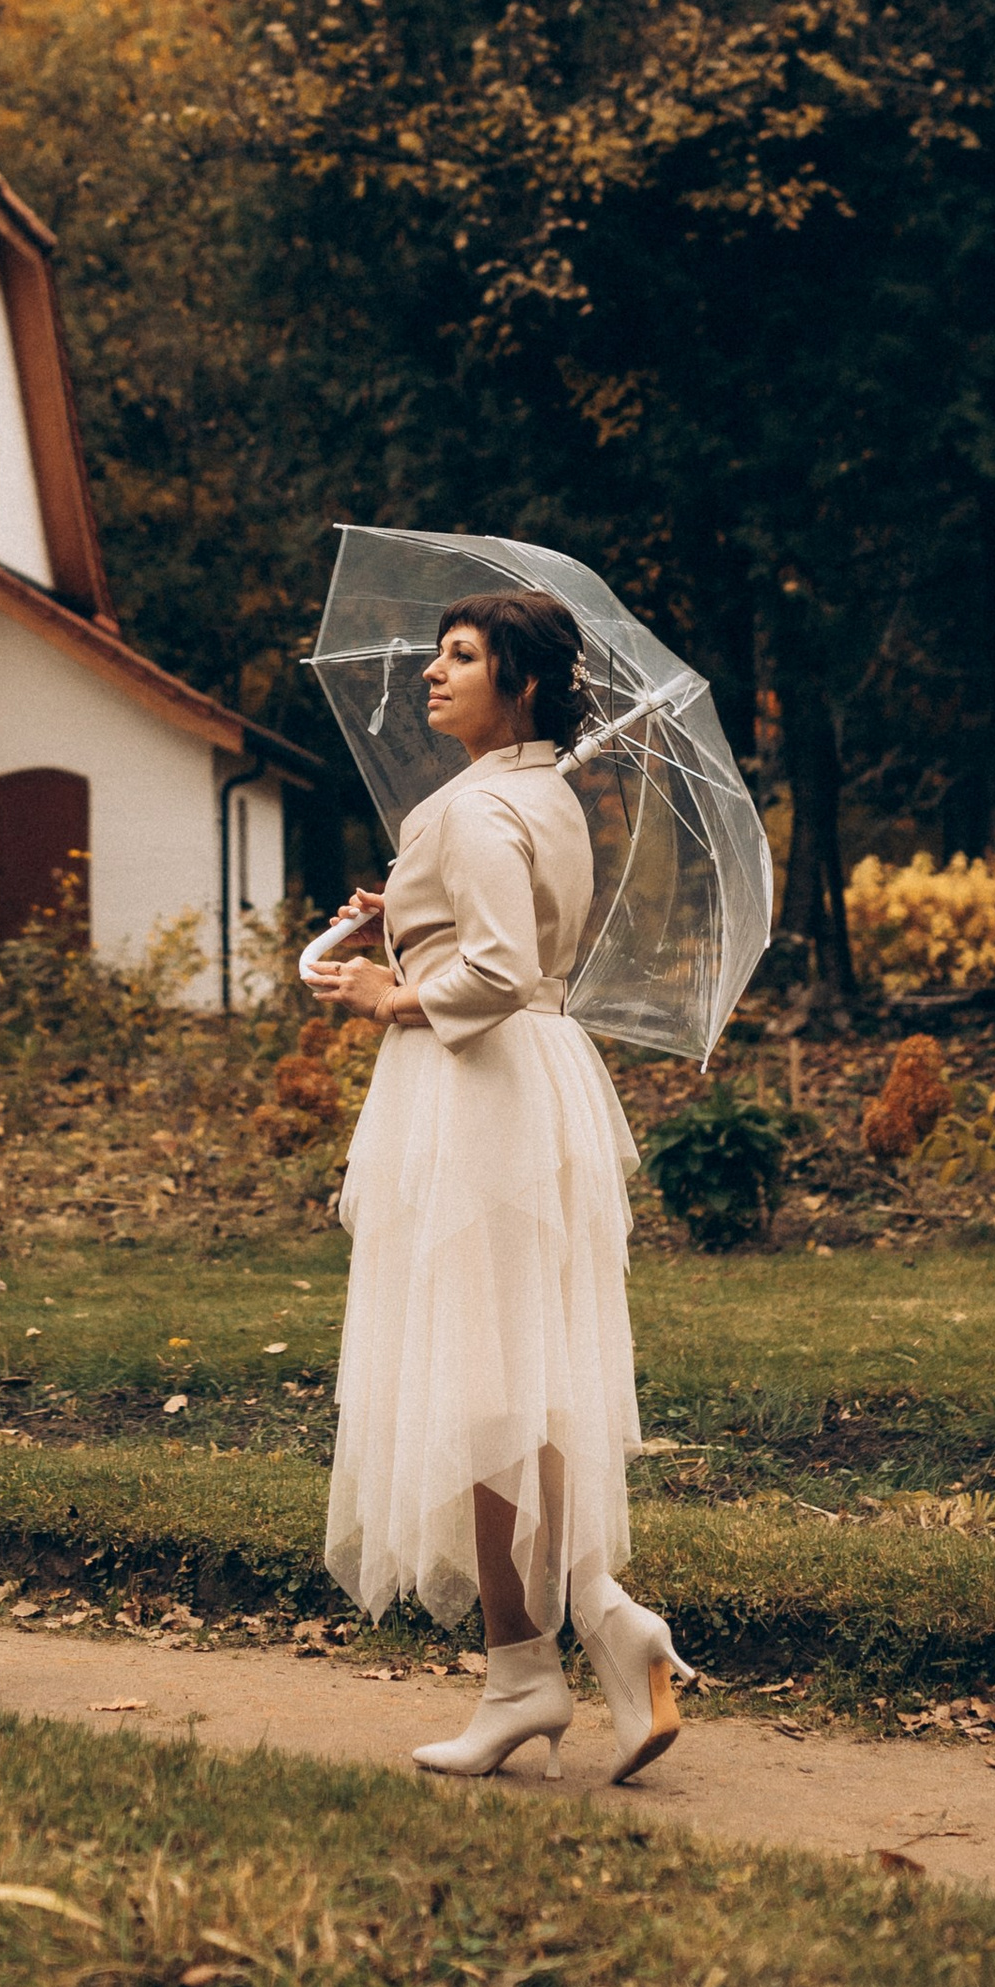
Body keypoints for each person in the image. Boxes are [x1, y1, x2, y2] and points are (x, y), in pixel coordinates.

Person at [312, 589, 692, 1780]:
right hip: (536, 1079)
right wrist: (404, 916)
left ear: (519, 684)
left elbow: (493, 967)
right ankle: (600, 1620)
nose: (432, 672)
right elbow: (500, 932)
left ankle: (525, 1668)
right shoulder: (543, 794)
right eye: (437, 653)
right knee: (523, 1379)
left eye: (461, 655)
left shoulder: (472, 804)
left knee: (482, 1388)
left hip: (471, 1090)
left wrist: (386, 991)